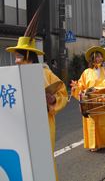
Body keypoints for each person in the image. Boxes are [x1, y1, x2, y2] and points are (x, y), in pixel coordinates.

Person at [6, 37, 68, 180]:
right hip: (18, 125)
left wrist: (53, 99)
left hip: (42, 124)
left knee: (42, 160)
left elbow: (62, 93)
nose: (16, 61)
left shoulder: (46, 74)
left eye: (19, 57)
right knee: (22, 160)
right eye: (15, 57)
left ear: (29, 57)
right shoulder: (11, 76)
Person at [70, 46, 105, 151]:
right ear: (91, 59)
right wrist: (76, 87)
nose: (97, 59)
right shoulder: (86, 72)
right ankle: (94, 144)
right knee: (93, 123)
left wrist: (96, 89)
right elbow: (82, 86)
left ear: (102, 58)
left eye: (99, 56)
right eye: (94, 57)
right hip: (91, 101)